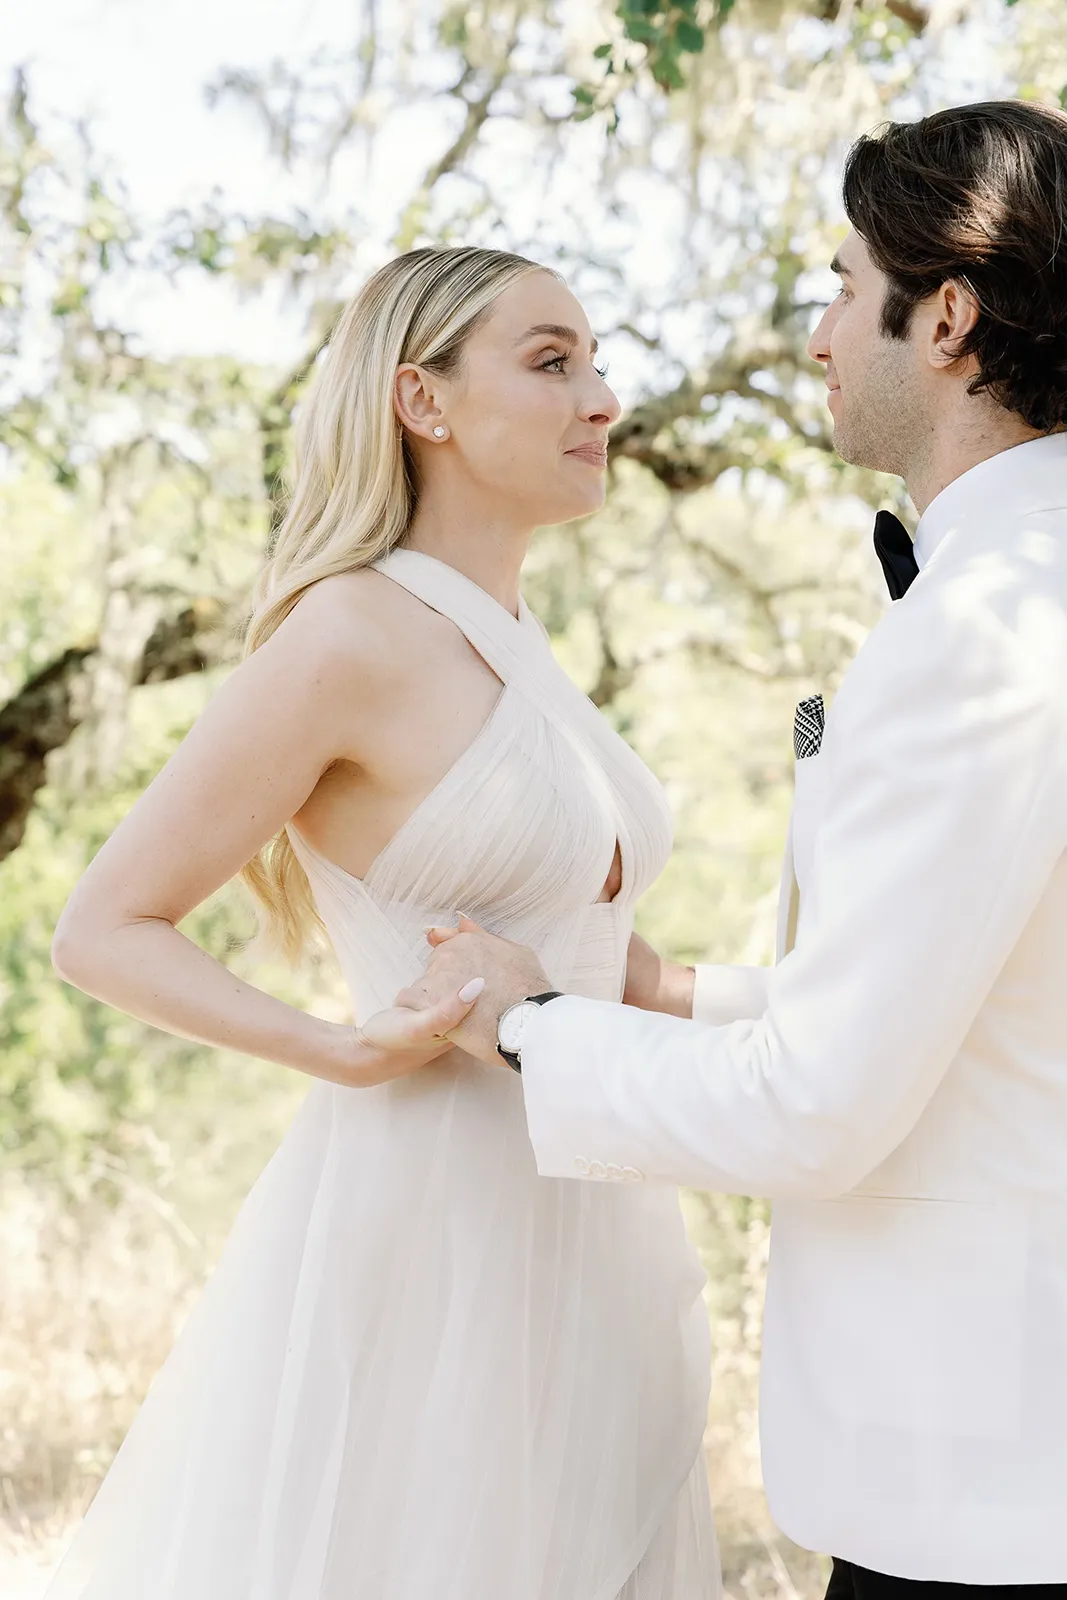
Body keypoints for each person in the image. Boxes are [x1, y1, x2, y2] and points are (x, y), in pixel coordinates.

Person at [391, 101, 1067, 1596]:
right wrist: (674, 989)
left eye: (838, 289)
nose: (819, 337)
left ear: (943, 316)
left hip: (991, 1486)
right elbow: (990, 1001)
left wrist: (527, 1024)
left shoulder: (987, 633)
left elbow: (820, 1108)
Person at [45, 248, 720, 1599]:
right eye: (551, 362)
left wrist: (751, 1006)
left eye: (594, 361)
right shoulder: (346, 635)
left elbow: (590, 951)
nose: (601, 399)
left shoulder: (523, 649)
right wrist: (338, 1049)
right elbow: (105, 925)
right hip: (432, 1227)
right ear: (422, 399)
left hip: (599, 1211)